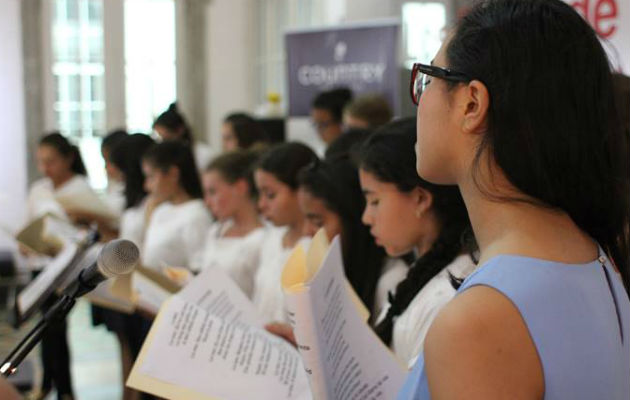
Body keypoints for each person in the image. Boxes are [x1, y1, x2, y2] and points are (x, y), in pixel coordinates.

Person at [399, 0, 630, 398]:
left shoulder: (479, 321)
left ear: (472, 103)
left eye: (428, 78)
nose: (421, 99)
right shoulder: (592, 255)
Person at [357, 119, 476, 367]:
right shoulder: (422, 274)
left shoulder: (445, 299)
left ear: (420, 199)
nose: (366, 218)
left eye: (375, 201)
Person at [26, 133, 91, 400]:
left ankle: (63, 387)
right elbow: (30, 225)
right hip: (39, 265)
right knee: (43, 327)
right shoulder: (38, 189)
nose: (45, 168)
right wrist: (26, 243)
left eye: (51, 161)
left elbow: (88, 232)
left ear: (68, 159)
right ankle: (48, 383)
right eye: (41, 162)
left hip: (64, 269)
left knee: (57, 327)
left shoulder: (80, 188)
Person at [297, 157, 406, 318]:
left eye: (318, 222)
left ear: (353, 220)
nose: (306, 232)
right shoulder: (336, 271)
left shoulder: (392, 281)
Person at [252, 142, 318, 322]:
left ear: (302, 191)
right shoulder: (272, 237)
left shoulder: (315, 247)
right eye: (260, 194)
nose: (261, 204)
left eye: (270, 195)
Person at [196, 150, 266, 297]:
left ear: (240, 187)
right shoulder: (217, 230)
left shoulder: (262, 239)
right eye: (206, 193)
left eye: (213, 192)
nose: (207, 202)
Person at [141, 141, 212, 271]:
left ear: (173, 174)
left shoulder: (196, 215)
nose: (147, 186)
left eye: (151, 177)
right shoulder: (160, 210)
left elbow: (200, 270)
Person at [153, 103, 216, 171]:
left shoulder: (204, 154)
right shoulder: (162, 157)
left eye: (167, 138)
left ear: (180, 130)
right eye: (160, 138)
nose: (162, 143)